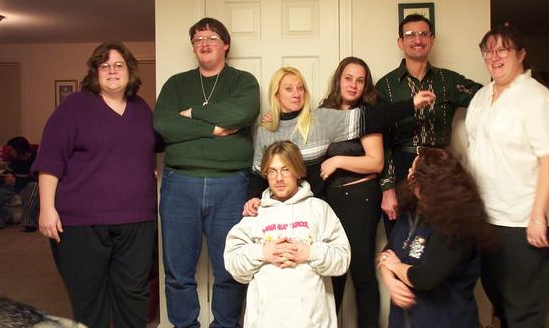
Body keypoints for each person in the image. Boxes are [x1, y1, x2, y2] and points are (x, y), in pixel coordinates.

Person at [32, 41, 160, 328]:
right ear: (95, 72)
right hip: (81, 225)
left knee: (134, 297)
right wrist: (47, 208)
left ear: (130, 70)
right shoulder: (74, 107)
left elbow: (155, 145)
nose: (112, 71)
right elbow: (50, 160)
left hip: (136, 221)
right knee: (89, 300)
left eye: (119, 65)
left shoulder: (141, 109)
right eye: (105, 66)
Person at [465, 24, 549, 328]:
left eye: (503, 49)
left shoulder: (537, 98)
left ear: (521, 54)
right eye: (488, 51)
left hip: (524, 221)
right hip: (488, 217)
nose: (494, 57)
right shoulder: (481, 97)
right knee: (498, 297)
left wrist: (538, 216)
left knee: (523, 307)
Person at [153, 17, 260, 328]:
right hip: (179, 184)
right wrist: (213, 128)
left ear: (225, 45)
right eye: (198, 39)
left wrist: (192, 114)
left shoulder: (243, 82)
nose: (204, 43)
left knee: (230, 268)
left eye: (212, 37)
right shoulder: (176, 84)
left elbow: (241, 111)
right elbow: (163, 123)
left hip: (231, 184)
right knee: (177, 270)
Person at [244, 66, 435, 213]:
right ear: (276, 95)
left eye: (300, 88)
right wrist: (252, 197)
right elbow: (258, 173)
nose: (296, 93)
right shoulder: (265, 130)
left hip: (315, 210)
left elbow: (370, 117)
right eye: (289, 89)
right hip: (278, 211)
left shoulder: (321, 120)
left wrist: (411, 104)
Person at [224, 141, 350, 328]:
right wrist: (263, 253)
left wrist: (309, 253)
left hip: (313, 322)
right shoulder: (255, 213)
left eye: (285, 170)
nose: (279, 178)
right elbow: (233, 265)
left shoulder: (319, 209)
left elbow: (342, 260)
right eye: (272, 171)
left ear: (298, 171)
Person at [376, 14, 482, 236]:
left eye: (423, 34)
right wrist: (387, 188)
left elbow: (485, 96)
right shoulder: (386, 86)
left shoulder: (448, 81)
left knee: (442, 235)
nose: (417, 40)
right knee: (402, 237)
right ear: (400, 42)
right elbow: (380, 139)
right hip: (401, 167)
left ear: (432, 40)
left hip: (440, 168)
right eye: (410, 35)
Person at [377, 148, 491, 328]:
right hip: (405, 320)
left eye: (413, 172)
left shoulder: (457, 226)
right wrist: (389, 278)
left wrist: (395, 266)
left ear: (428, 183)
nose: (408, 174)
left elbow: (425, 277)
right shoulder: (412, 209)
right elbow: (388, 251)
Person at [318, 57, 383, 327]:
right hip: (329, 201)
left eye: (360, 80)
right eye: (348, 78)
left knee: (361, 272)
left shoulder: (366, 115)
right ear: (339, 79)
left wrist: (337, 161)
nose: (353, 85)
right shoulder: (324, 112)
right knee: (331, 273)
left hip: (360, 200)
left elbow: (376, 162)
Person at [0, 136, 37, 230]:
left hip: (27, 188)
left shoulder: (36, 159)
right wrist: (0, 177)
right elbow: (9, 172)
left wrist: (16, 180)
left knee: (34, 185)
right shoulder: (14, 160)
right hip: (13, 189)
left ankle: (27, 223)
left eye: (11, 150)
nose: (9, 152)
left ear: (18, 149)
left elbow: (37, 179)